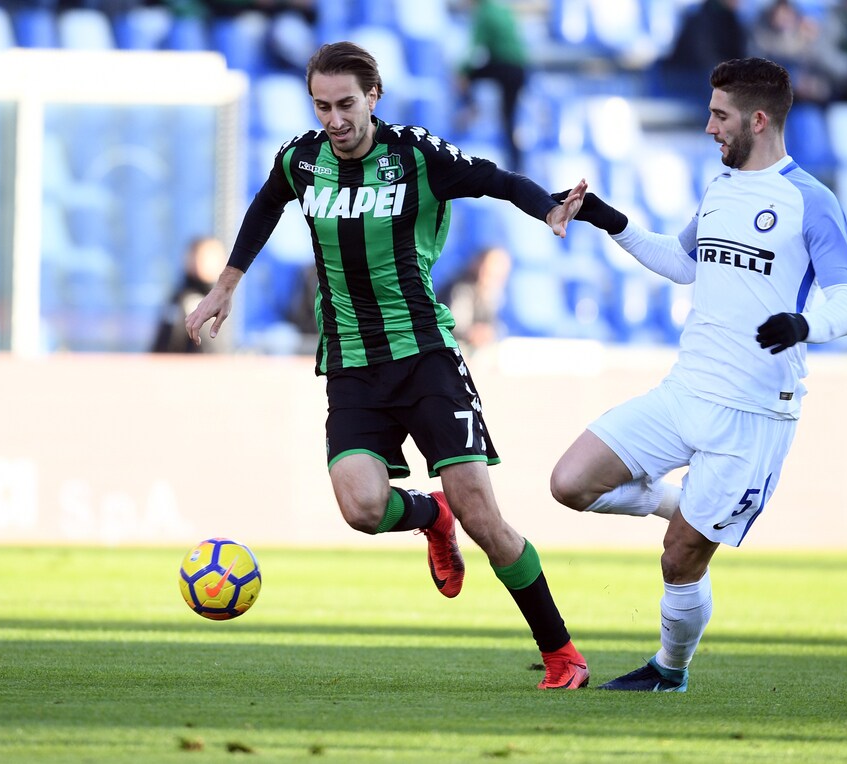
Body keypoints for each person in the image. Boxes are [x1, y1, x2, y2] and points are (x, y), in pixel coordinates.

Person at [184, 41, 591, 690]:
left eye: (346, 104)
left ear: (373, 97)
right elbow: (265, 203)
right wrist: (226, 285)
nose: (334, 120)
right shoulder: (301, 160)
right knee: (361, 507)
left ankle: (561, 653)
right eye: (322, 106)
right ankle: (430, 516)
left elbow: (494, 178)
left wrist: (546, 205)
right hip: (351, 365)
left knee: (484, 518)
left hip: (425, 357)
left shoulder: (415, 157)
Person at [549, 58, 847, 691]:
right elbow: (682, 260)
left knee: (680, 559)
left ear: (758, 119)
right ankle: (679, 504)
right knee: (570, 483)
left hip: (755, 412)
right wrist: (604, 216)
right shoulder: (720, 188)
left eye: (720, 115)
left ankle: (669, 670)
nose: (708, 127)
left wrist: (803, 325)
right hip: (685, 390)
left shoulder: (809, 200)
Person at [455, 0, 530, 172]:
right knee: (509, 120)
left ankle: (470, 108)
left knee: (468, 75)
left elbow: (474, 50)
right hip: (520, 69)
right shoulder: (502, 10)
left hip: (505, 66)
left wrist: (462, 72)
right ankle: (518, 166)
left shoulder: (484, 14)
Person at [659, 0, 747, 106]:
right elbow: (705, 58)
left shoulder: (732, 20)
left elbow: (740, 55)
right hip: (686, 77)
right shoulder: (701, 18)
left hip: (708, 75)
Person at [149, 235, 229, 353]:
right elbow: (164, 346)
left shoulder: (223, 299)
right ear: (190, 261)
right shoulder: (184, 301)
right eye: (207, 258)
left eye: (218, 258)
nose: (215, 263)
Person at [436, 245, 512, 354]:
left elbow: (494, 327)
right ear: (477, 264)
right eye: (488, 268)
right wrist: (473, 333)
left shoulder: (493, 292)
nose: (493, 273)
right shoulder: (462, 288)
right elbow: (454, 327)